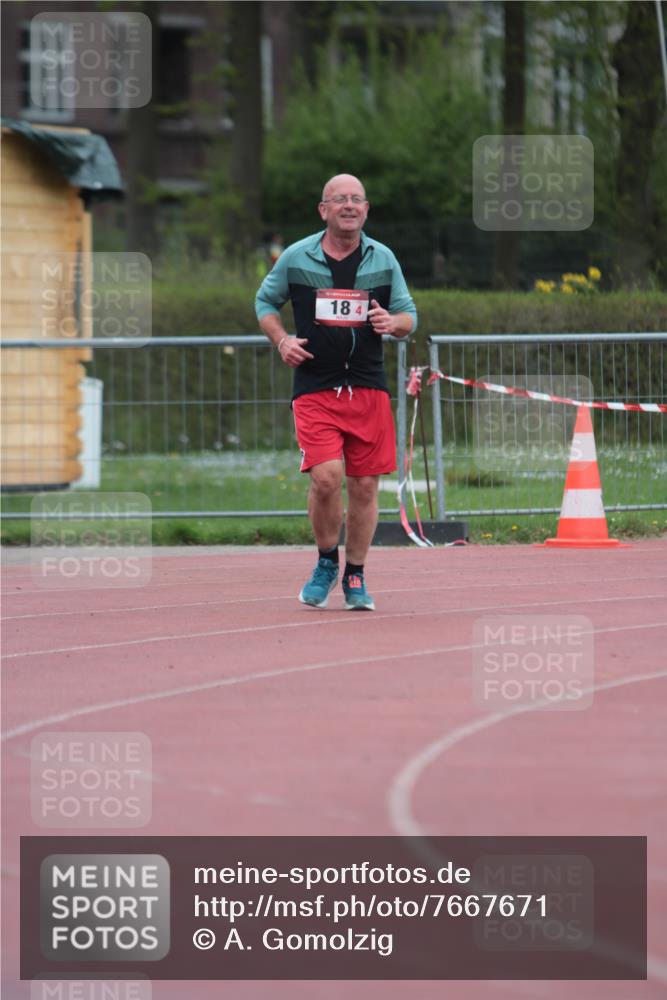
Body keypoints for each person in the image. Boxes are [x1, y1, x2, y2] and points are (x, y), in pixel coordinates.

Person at [255, 174, 417, 611]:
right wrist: (282, 340)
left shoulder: (383, 259)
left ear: (366, 209)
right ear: (323, 210)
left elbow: (408, 316)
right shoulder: (296, 257)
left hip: (367, 384)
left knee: (365, 486)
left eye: (357, 199)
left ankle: (356, 575)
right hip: (316, 384)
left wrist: (393, 324)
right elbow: (264, 302)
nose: (349, 205)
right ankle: (327, 560)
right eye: (339, 199)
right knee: (327, 478)